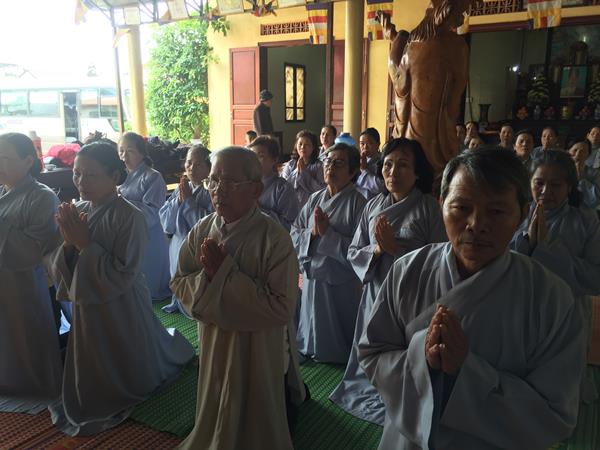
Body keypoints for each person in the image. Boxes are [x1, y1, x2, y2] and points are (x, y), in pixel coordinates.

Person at [358, 149, 585, 449]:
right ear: (441, 204)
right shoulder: (407, 271)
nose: (476, 224)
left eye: (496, 211)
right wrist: (421, 359)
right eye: (462, 207)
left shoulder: (551, 298)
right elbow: (373, 354)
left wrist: (465, 373)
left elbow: (555, 414)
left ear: (522, 213)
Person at [48, 142, 194, 436]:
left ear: (114, 176)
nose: (81, 182)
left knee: (125, 349)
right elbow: (60, 262)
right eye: (77, 174)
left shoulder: (129, 216)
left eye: (91, 175)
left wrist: (84, 244)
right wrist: (69, 245)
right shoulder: (79, 210)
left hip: (121, 302)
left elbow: (123, 273)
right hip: (88, 300)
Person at [171, 147, 306, 450]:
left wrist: (224, 277)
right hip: (214, 339)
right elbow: (179, 281)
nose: (218, 190)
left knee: (256, 418)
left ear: (255, 190)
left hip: (257, 347)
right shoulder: (202, 230)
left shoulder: (274, 239)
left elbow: (281, 307)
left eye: (230, 182)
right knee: (216, 399)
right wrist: (210, 279)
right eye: (214, 181)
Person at [329, 138, 446, 425]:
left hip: (412, 297)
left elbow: (440, 259)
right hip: (375, 291)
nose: (393, 172)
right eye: (388, 165)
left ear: (417, 173)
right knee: (372, 346)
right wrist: (378, 250)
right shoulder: (372, 206)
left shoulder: (429, 208)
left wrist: (397, 250)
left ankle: (398, 391)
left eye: (403, 165)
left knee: (400, 351)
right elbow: (354, 251)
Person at [511, 150, 600, 402]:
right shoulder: (515, 213)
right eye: (539, 183)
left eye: (556, 185)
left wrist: (547, 249)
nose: (545, 191)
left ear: (569, 187)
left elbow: (596, 277)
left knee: (561, 385)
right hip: (519, 308)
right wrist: (526, 242)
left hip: (568, 313)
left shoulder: (585, 220)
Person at [0, 132, 62, 413]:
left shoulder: (42, 197)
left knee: (26, 338)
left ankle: (31, 384)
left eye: (5, 158)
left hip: (24, 284)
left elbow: (33, 251)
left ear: (28, 161)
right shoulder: (3, 191)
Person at [292, 143, 367, 364]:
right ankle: (309, 346)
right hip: (312, 276)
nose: (330, 167)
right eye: (328, 161)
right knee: (310, 324)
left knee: (336, 335)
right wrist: (313, 234)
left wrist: (328, 235)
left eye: (338, 163)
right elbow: (295, 232)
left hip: (340, 281)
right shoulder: (315, 199)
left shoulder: (359, 204)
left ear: (352, 172)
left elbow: (361, 250)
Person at [378, 3, 472, 173]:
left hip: (405, 135)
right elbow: (457, 89)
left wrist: (397, 41)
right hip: (436, 136)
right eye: (459, 13)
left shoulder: (411, 45)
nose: (461, 19)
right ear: (445, 13)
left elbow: (400, 83)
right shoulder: (456, 45)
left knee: (406, 169)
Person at [159, 145, 213, 315]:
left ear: (209, 168)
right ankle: (178, 301)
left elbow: (207, 224)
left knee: (193, 277)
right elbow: (165, 220)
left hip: (195, 245)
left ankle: (192, 306)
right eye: (189, 163)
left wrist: (189, 201)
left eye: (198, 164)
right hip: (177, 241)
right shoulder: (181, 188)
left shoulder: (211, 191)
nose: (191, 168)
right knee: (176, 271)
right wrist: (178, 201)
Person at [118, 132, 171, 300]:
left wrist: (120, 201)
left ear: (142, 153)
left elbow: (152, 213)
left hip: (149, 235)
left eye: (130, 151)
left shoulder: (153, 177)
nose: (124, 156)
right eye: (121, 151)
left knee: (149, 285)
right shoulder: (121, 176)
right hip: (128, 234)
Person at [248, 135, 299, 230]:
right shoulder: (245, 185)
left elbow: (291, 228)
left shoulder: (283, 189)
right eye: (252, 156)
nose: (254, 161)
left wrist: (259, 210)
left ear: (274, 159)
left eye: (260, 156)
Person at [281, 130, 325, 208]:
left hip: (312, 206)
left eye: (307, 144)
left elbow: (321, 190)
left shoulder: (319, 166)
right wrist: (297, 171)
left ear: (313, 147)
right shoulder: (290, 165)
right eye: (300, 144)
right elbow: (285, 188)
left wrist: (304, 172)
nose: (302, 147)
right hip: (291, 206)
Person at [568, 138, 600, 210]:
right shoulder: (559, 169)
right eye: (575, 150)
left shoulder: (595, 173)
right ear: (568, 151)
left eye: (583, 151)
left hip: (584, 212)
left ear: (588, 155)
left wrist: (581, 180)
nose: (578, 154)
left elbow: (595, 200)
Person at [356, 128, 385, 199]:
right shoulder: (357, 159)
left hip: (374, 201)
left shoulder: (383, 161)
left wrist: (363, 169)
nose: (365, 147)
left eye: (370, 143)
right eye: (362, 143)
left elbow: (381, 186)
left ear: (378, 144)